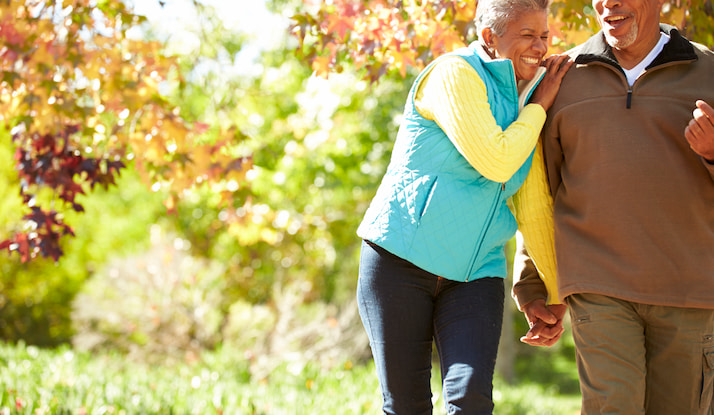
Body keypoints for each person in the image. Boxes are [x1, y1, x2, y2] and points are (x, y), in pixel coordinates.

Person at [355, 0, 572, 412]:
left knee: (471, 398)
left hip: (476, 274)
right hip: (400, 262)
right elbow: (497, 160)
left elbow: (533, 207)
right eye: (527, 35)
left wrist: (552, 293)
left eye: (544, 35)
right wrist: (540, 106)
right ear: (490, 37)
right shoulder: (454, 74)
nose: (540, 47)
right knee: (407, 404)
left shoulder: (526, 99)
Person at [511, 0, 714, 412]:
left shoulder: (709, 72)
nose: (609, 3)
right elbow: (540, 190)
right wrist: (533, 283)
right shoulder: (561, 78)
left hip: (690, 289)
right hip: (598, 284)